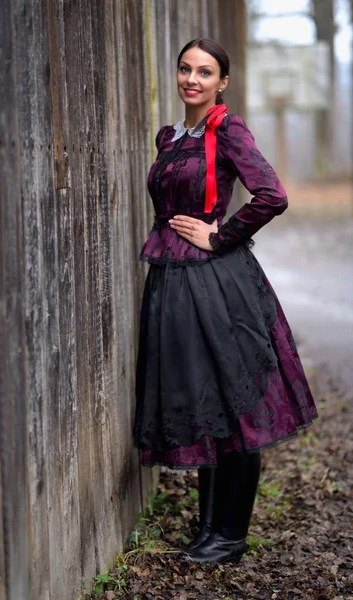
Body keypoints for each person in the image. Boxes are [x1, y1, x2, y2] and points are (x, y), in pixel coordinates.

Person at [132, 38, 318, 565]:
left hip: (219, 283)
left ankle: (231, 535)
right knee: (204, 402)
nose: (192, 79)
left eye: (205, 72)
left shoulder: (227, 129)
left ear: (222, 82)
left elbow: (272, 195)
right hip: (173, 283)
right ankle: (209, 528)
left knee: (237, 405)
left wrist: (219, 236)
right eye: (185, 69)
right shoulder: (170, 136)